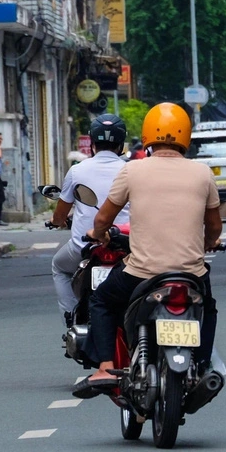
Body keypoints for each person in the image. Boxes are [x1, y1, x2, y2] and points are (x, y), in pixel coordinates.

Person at [73, 103, 222, 398]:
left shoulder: (133, 170)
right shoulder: (203, 173)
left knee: (101, 300)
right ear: (186, 136)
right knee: (209, 307)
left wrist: (97, 234)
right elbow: (215, 227)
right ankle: (202, 365)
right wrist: (207, 243)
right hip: (191, 274)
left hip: (141, 274)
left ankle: (105, 367)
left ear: (147, 135)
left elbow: (103, 218)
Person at [49, 114, 131, 325]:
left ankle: (71, 319)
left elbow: (59, 215)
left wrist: (58, 221)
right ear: (121, 144)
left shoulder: (77, 171)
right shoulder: (131, 170)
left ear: (92, 144)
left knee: (59, 267)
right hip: (125, 245)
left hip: (83, 247)